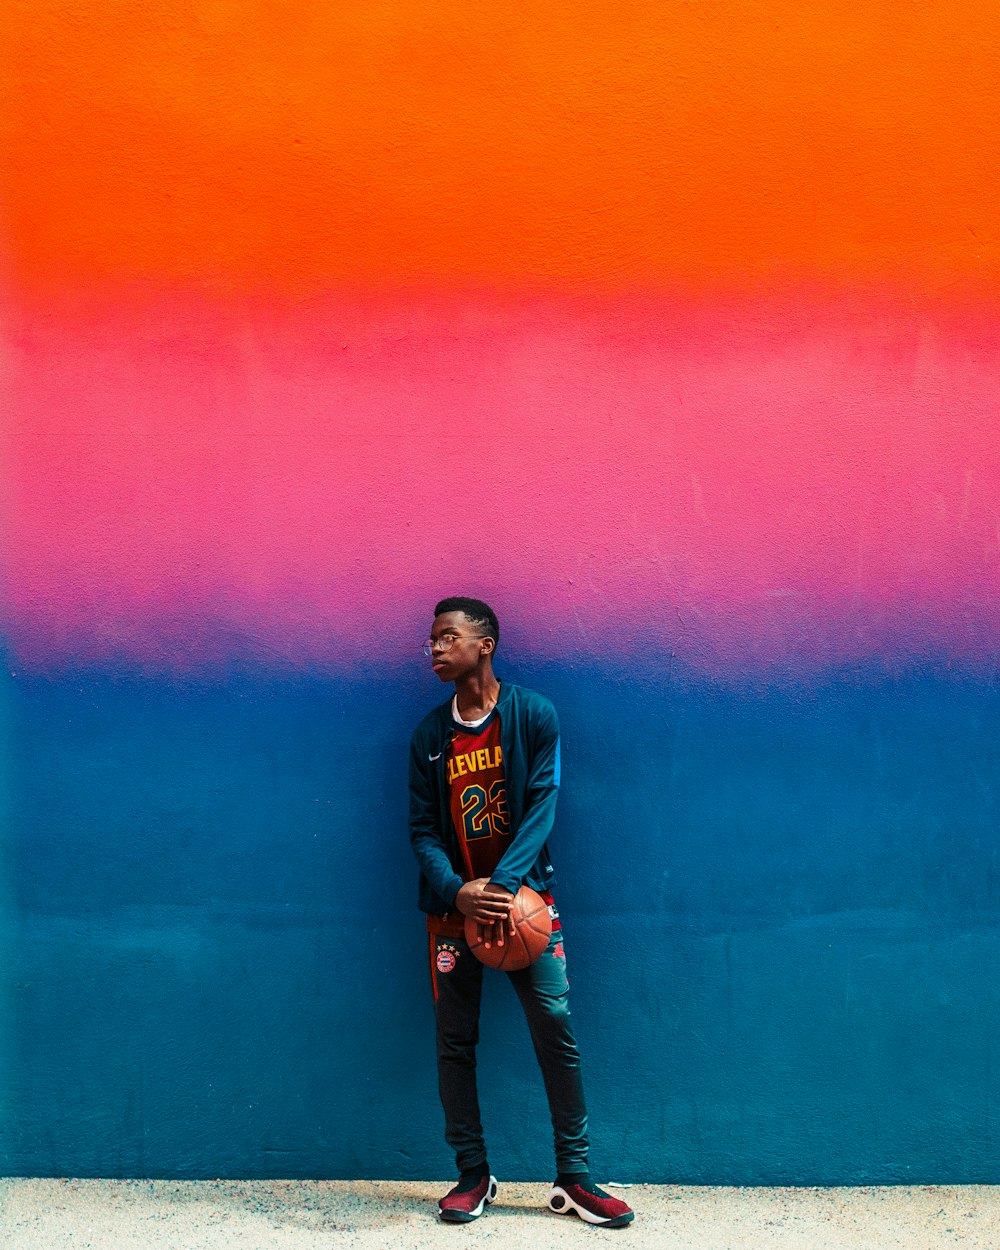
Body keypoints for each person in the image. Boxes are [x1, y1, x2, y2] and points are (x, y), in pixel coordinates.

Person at [408, 596, 634, 1227]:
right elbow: (422, 829)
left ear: (484, 644)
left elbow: (543, 803)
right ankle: (473, 1175)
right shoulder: (430, 736)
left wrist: (502, 889)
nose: (433, 647)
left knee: (555, 1033)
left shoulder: (533, 714)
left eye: (446, 637)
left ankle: (575, 1178)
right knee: (455, 1043)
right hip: (453, 915)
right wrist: (458, 891)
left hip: (526, 907)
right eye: (430, 639)